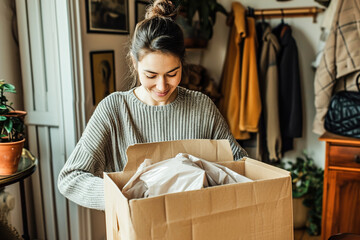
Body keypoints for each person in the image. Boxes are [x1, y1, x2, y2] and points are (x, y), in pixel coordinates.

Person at [58, 0, 247, 211]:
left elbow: (240, 164)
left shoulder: (201, 106)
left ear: (182, 63)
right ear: (134, 62)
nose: (162, 86)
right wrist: (126, 195)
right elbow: (70, 178)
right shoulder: (114, 109)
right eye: (151, 75)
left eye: (172, 74)